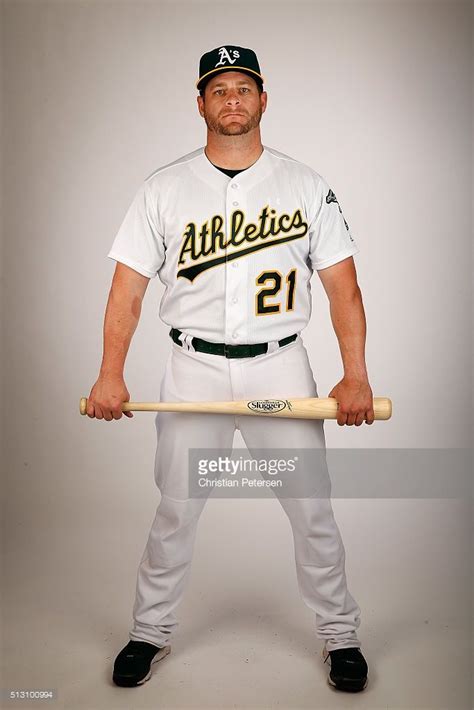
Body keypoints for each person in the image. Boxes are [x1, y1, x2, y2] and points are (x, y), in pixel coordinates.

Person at [86, 45, 374, 694]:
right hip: (192, 368)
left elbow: (343, 288)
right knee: (177, 509)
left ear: (265, 99)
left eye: (244, 87)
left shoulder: (306, 184)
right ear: (201, 103)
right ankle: (149, 631)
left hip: (280, 369)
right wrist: (111, 373)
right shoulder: (162, 187)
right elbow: (126, 290)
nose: (233, 99)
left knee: (312, 511)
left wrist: (354, 374)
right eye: (219, 90)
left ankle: (342, 635)